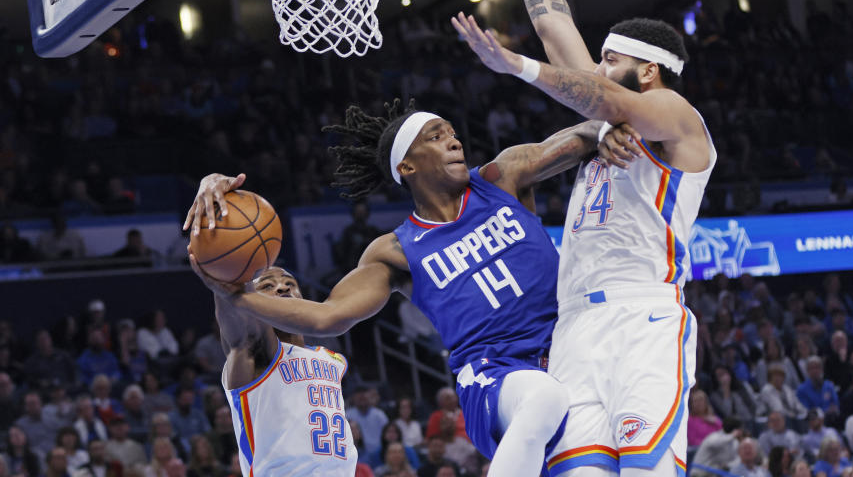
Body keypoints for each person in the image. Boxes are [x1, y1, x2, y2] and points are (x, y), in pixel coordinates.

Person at [186, 99, 633, 477]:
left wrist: (607, 130)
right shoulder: (395, 252)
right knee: (543, 397)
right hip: (495, 374)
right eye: (437, 136)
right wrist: (234, 291)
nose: (455, 140)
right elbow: (327, 316)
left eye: (454, 133)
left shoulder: (502, 178)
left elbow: (578, 136)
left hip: (574, 353)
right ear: (407, 165)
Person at [451, 0, 716, 477]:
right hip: (575, 325)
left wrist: (514, 68)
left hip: (641, 313)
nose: (595, 68)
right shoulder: (606, 126)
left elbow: (603, 95)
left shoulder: (676, 115)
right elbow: (552, 25)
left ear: (647, 68)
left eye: (608, 58)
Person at [189, 263, 357, 477]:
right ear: (251, 301)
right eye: (268, 285)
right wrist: (226, 267)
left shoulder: (333, 360)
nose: (283, 288)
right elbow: (241, 327)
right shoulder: (255, 354)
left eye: (290, 283)